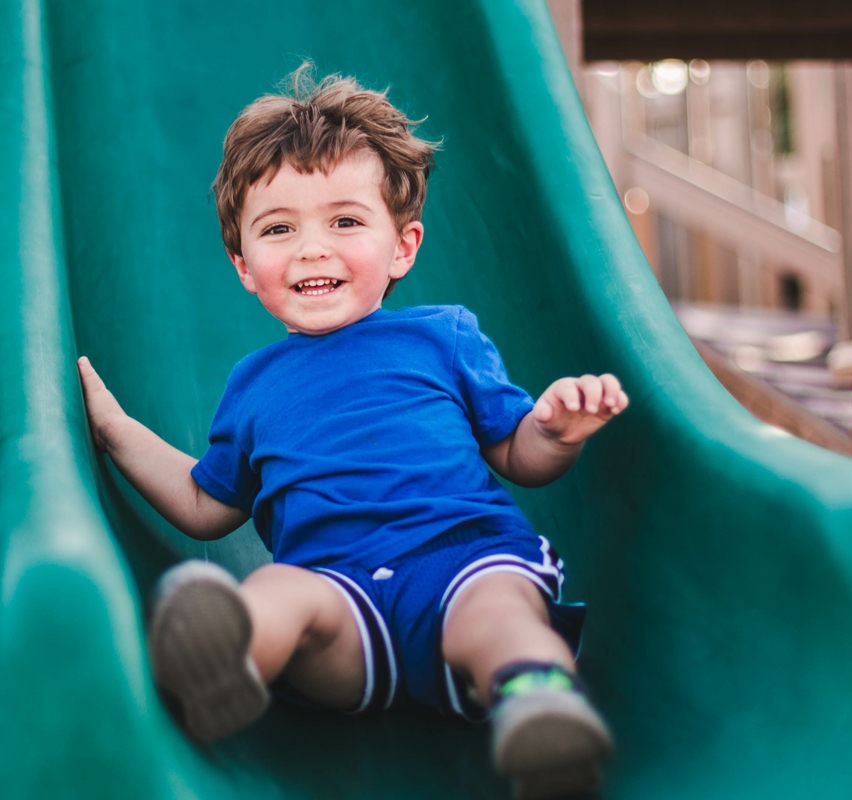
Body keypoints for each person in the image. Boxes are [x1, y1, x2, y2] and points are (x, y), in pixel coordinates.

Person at [76, 64, 625, 799]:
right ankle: (226, 665)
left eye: (344, 220)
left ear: (403, 245)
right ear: (243, 264)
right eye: (279, 229)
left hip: (460, 561)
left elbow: (516, 455)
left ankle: (539, 710)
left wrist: (557, 431)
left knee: (499, 610)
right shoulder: (253, 385)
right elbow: (208, 505)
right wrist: (114, 431)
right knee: (278, 590)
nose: (311, 248)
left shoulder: (442, 338)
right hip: (340, 598)